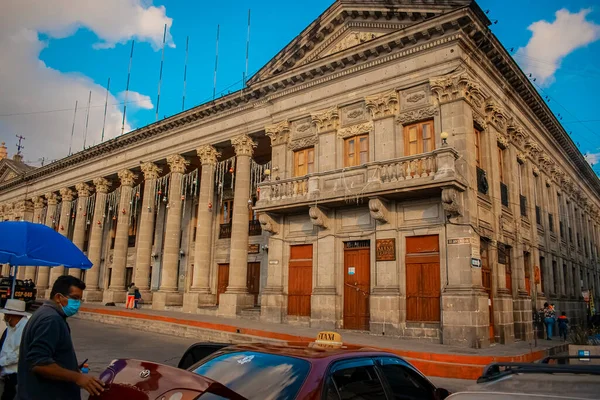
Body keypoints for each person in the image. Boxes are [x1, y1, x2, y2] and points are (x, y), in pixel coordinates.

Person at [17, 275, 104, 400]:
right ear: (58, 297)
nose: (77, 304)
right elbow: (39, 363)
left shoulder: (45, 313)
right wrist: (78, 378)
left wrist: (69, 368)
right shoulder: (51, 319)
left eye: (80, 299)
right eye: (74, 298)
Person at [0, 299, 30, 400]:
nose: (4, 317)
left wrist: (1, 362)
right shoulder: (10, 327)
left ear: (12, 315)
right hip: (6, 375)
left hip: (16, 376)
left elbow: (19, 354)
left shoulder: (24, 328)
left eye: (6, 315)